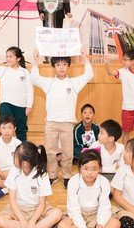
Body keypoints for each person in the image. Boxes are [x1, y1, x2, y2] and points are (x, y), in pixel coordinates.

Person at [31, 50, 93, 188]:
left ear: (68, 66)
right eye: (58, 64)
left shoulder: (73, 83)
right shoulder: (49, 83)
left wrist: (85, 59)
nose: (61, 67)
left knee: (67, 153)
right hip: (51, 123)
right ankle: (52, 175)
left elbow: (89, 75)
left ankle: (66, 175)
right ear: (53, 66)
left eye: (64, 64)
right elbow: (34, 78)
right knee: (50, 152)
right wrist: (35, 61)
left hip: (67, 123)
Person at [0, 141, 62, 228]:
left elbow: (42, 203)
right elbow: (11, 199)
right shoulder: (14, 170)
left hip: (37, 209)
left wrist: (32, 221)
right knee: (0, 220)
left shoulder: (42, 174)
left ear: (25, 163)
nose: (13, 157)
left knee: (57, 213)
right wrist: (22, 220)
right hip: (18, 209)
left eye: (15, 156)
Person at [0, 44, 34, 142]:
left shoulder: (25, 72)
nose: (8, 58)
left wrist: (29, 105)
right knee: (5, 127)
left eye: (11, 56)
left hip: (21, 106)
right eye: (7, 56)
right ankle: (3, 151)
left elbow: (30, 90)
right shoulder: (3, 70)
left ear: (18, 58)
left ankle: (21, 153)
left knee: (21, 131)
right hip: (6, 104)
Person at [58, 149, 120, 228]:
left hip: (96, 213)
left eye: (94, 169)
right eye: (86, 168)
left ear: (99, 168)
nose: (90, 173)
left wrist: (100, 224)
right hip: (78, 213)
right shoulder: (73, 181)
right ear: (80, 168)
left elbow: (104, 206)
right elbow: (73, 209)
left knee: (115, 223)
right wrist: (82, 226)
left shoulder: (104, 182)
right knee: (62, 225)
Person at [104, 48, 134, 144]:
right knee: (126, 132)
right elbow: (110, 73)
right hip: (127, 108)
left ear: (133, 61)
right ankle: (125, 150)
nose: (124, 61)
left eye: (126, 59)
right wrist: (107, 64)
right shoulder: (123, 71)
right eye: (123, 59)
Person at [0, 115, 22, 203]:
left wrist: (11, 176)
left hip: (13, 172)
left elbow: (20, 164)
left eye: (10, 127)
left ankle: (2, 191)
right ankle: (11, 188)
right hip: (0, 173)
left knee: (23, 180)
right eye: (3, 127)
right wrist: (7, 178)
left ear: (14, 129)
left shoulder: (18, 144)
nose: (6, 131)